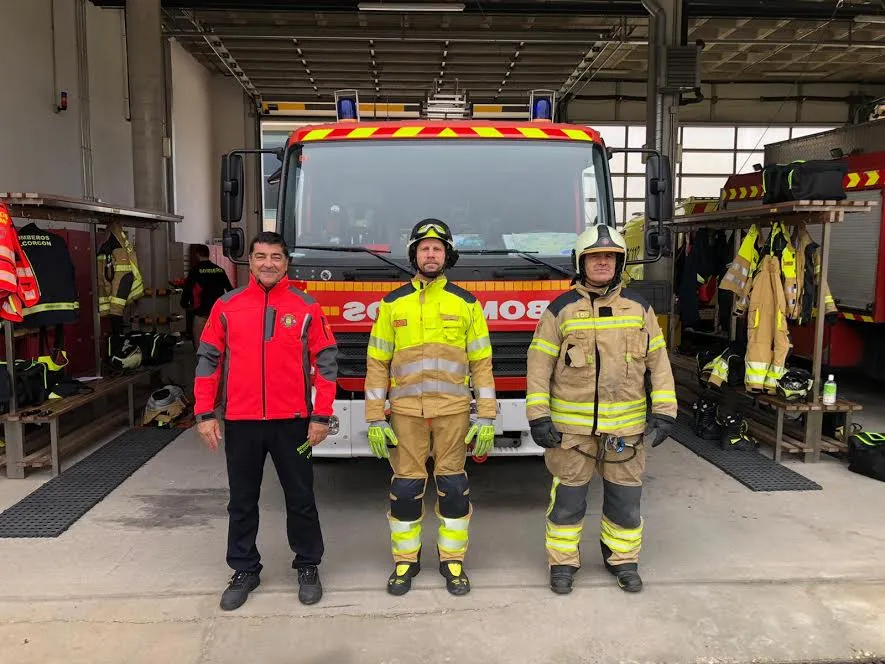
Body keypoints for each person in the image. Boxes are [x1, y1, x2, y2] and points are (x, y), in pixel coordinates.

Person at [525, 224, 677, 595]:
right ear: (582, 262)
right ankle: (562, 564)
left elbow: (659, 363)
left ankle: (623, 561)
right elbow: (538, 365)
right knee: (567, 503)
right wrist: (538, 416)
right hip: (571, 435)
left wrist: (665, 412)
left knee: (626, 503)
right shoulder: (560, 310)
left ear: (620, 262)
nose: (603, 262)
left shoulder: (640, 309)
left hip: (626, 433)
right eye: (595, 257)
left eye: (609, 256)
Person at [193, 231, 338, 611]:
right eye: (260, 257)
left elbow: (326, 364)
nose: (268, 263)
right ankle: (244, 569)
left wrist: (321, 414)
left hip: (292, 421)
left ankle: (308, 564)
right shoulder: (226, 306)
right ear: (251, 261)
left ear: (287, 263)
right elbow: (209, 360)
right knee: (242, 500)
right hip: (241, 421)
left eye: (276, 257)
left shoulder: (307, 306)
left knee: (301, 497)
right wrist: (205, 412)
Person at [363, 219, 497, 597]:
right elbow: (377, 363)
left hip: (454, 411)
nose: (431, 254)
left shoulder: (466, 303)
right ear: (414, 255)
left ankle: (452, 560)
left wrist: (486, 414)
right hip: (406, 414)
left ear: (447, 254)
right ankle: (405, 560)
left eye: (437, 248)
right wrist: (375, 417)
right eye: (424, 249)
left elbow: (481, 364)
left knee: (453, 486)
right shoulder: (392, 305)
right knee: (405, 489)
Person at [181, 244, 234, 349]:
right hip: (218, 311)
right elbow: (229, 290)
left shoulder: (195, 270)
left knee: (199, 341)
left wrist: (184, 303)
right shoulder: (219, 270)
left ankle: (203, 363)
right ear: (208, 254)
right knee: (218, 340)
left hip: (202, 312)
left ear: (197, 255)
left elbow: (188, 289)